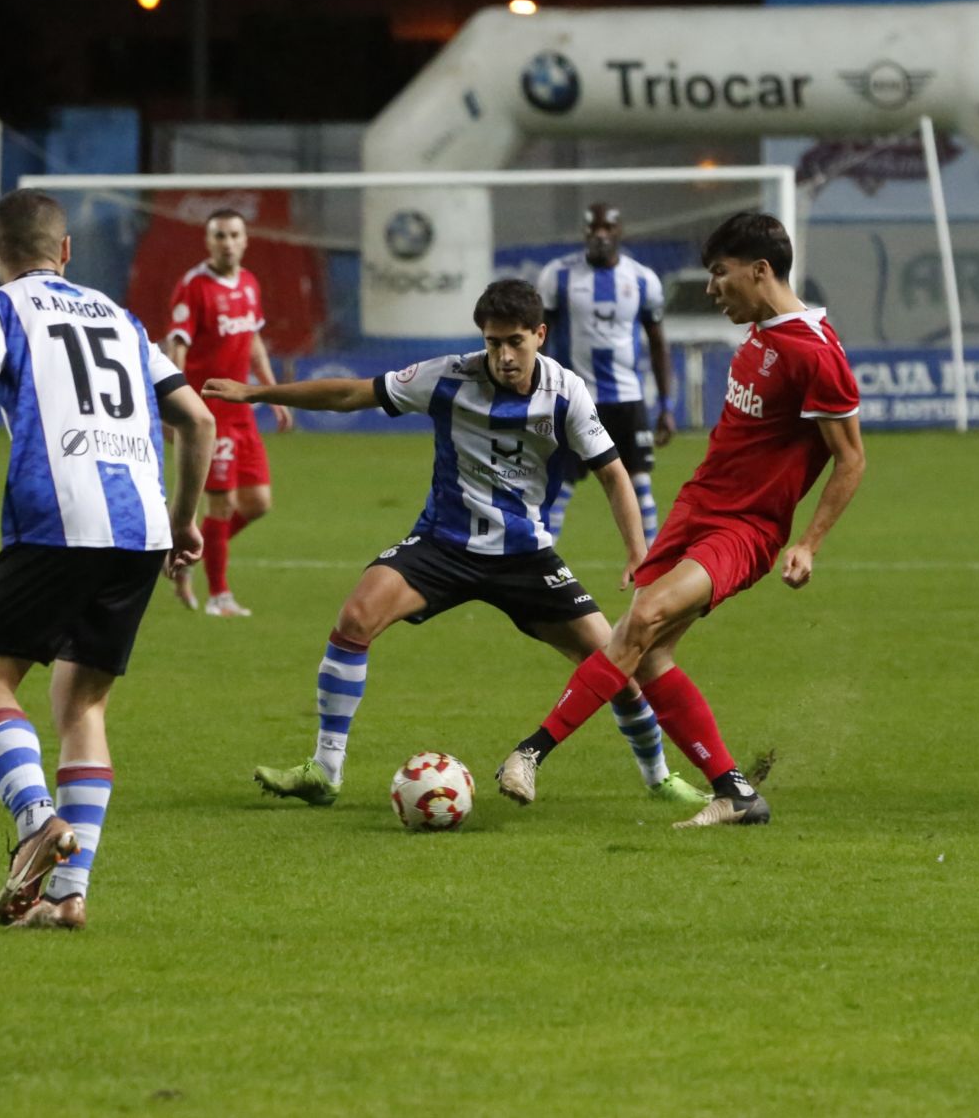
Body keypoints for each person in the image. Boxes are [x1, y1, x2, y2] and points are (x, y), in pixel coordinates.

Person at [209, 279, 708, 808]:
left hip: (525, 556)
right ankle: (325, 771)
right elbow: (351, 393)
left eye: (515, 341)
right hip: (442, 545)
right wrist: (255, 393)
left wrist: (636, 550)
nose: (504, 355)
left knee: (616, 664)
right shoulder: (448, 376)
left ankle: (658, 778)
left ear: (539, 335)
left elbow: (613, 475)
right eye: (493, 343)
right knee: (356, 617)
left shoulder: (566, 393)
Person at [497, 211, 867, 829]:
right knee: (647, 655)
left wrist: (809, 543)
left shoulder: (816, 355)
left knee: (641, 620)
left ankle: (529, 754)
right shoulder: (760, 334)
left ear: (761, 270)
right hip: (696, 508)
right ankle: (737, 794)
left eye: (720, 275)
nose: (713, 288)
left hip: (744, 531)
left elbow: (851, 459)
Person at [0, 189, 216, 930]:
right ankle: (67, 897)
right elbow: (198, 418)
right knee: (83, 702)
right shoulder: (124, 320)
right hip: (141, 524)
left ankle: (36, 819)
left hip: (56, 515)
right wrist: (185, 520)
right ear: (66, 252)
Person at [163, 208, 290, 615]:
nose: (228, 242)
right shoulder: (194, 287)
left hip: (243, 410)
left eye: (234, 235)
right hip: (209, 412)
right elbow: (176, 348)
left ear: (245, 239)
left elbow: (252, 339)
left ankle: (185, 553)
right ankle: (220, 596)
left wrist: (270, 392)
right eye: (219, 235)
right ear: (209, 241)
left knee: (257, 503)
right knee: (219, 506)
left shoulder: (249, 284)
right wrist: (176, 405)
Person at [537, 203, 674, 544]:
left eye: (608, 228)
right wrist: (536, 392)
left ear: (619, 231)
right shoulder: (558, 275)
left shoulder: (643, 279)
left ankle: (652, 568)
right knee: (559, 485)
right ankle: (540, 562)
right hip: (575, 399)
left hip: (628, 400)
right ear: (585, 232)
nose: (600, 235)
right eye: (593, 228)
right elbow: (539, 339)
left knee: (640, 484)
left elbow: (658, 343)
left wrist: (666, 406)